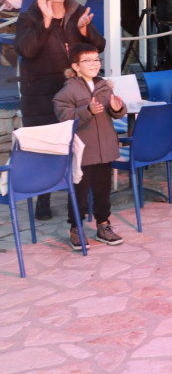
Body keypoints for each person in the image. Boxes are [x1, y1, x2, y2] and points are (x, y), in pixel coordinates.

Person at [15, 0, 105, 221]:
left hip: (73, 95)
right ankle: (42, 199)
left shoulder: (76, 14)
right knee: (43, 148)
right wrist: (44, 22)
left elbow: (99, 47)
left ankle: (74, 202)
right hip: (40, 95)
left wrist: (86, 31)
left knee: (75, 148)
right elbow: (26, 49)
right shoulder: (29, 17)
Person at [53, 42, 127, 249]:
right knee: (80, 192)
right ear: (76, 66)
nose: (94, 64)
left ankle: (103, 225)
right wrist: (87, 110)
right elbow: (64, 116)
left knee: (103, 190)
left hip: (105, 150)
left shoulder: (104, 84)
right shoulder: (69, 90)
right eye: (88, 60)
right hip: (83, 152)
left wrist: (117, 108)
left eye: (96, 59)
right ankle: (76, 228)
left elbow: (116, 111)